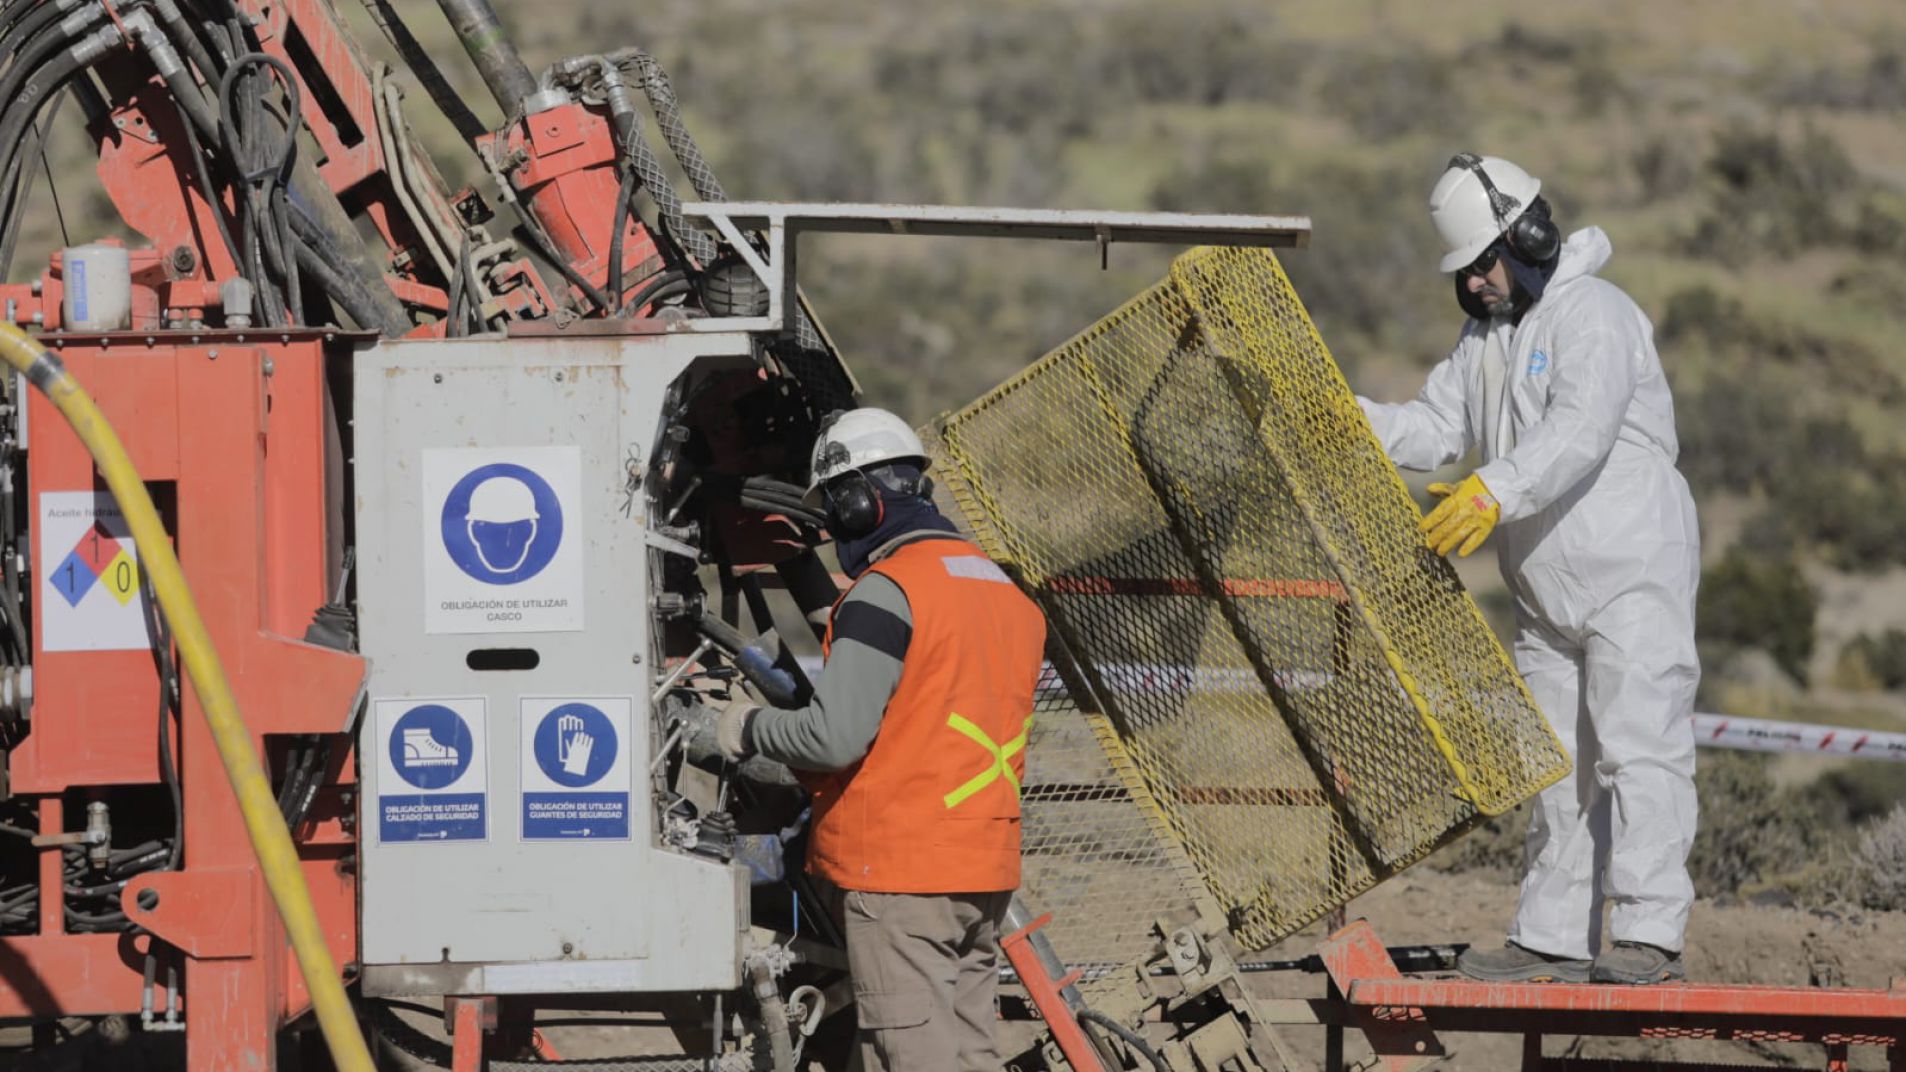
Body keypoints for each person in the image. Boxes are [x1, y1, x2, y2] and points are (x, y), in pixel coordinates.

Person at [1356, 154, 1701, 985]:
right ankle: (1550, 936)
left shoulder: (1598, 315)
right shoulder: (1484, 342)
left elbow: (1580, 428)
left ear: (1530, 237)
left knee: (1639, 748)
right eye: (1465, 273)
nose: (1476, 285)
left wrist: (1491, 492)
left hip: (1630, 572)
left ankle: (1651, 932)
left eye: (1484, 264)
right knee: (1556, 768)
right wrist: (1342, 412)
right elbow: (1437, 429)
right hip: (1546, 596)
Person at [710, 407, 1048, 1069]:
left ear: (860, 503)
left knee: (914, 1056)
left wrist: (747, 727)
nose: (836, 531)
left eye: (835, 513)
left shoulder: (886, 593)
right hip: (982, 869)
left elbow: (834, 737)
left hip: (903, 875)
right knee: (969, 1051)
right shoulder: (1003, 590)